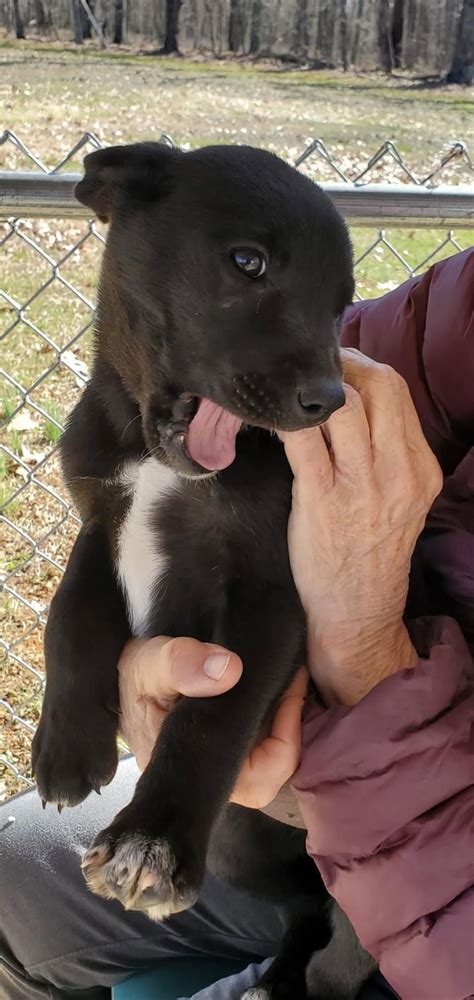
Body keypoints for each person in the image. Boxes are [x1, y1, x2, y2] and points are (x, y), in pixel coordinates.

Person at [1, 249, 473, 1000]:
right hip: (292, 831)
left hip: (430, 917)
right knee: (14, 881)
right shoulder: (465, 305)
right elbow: (313, 373)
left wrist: (361, 640)